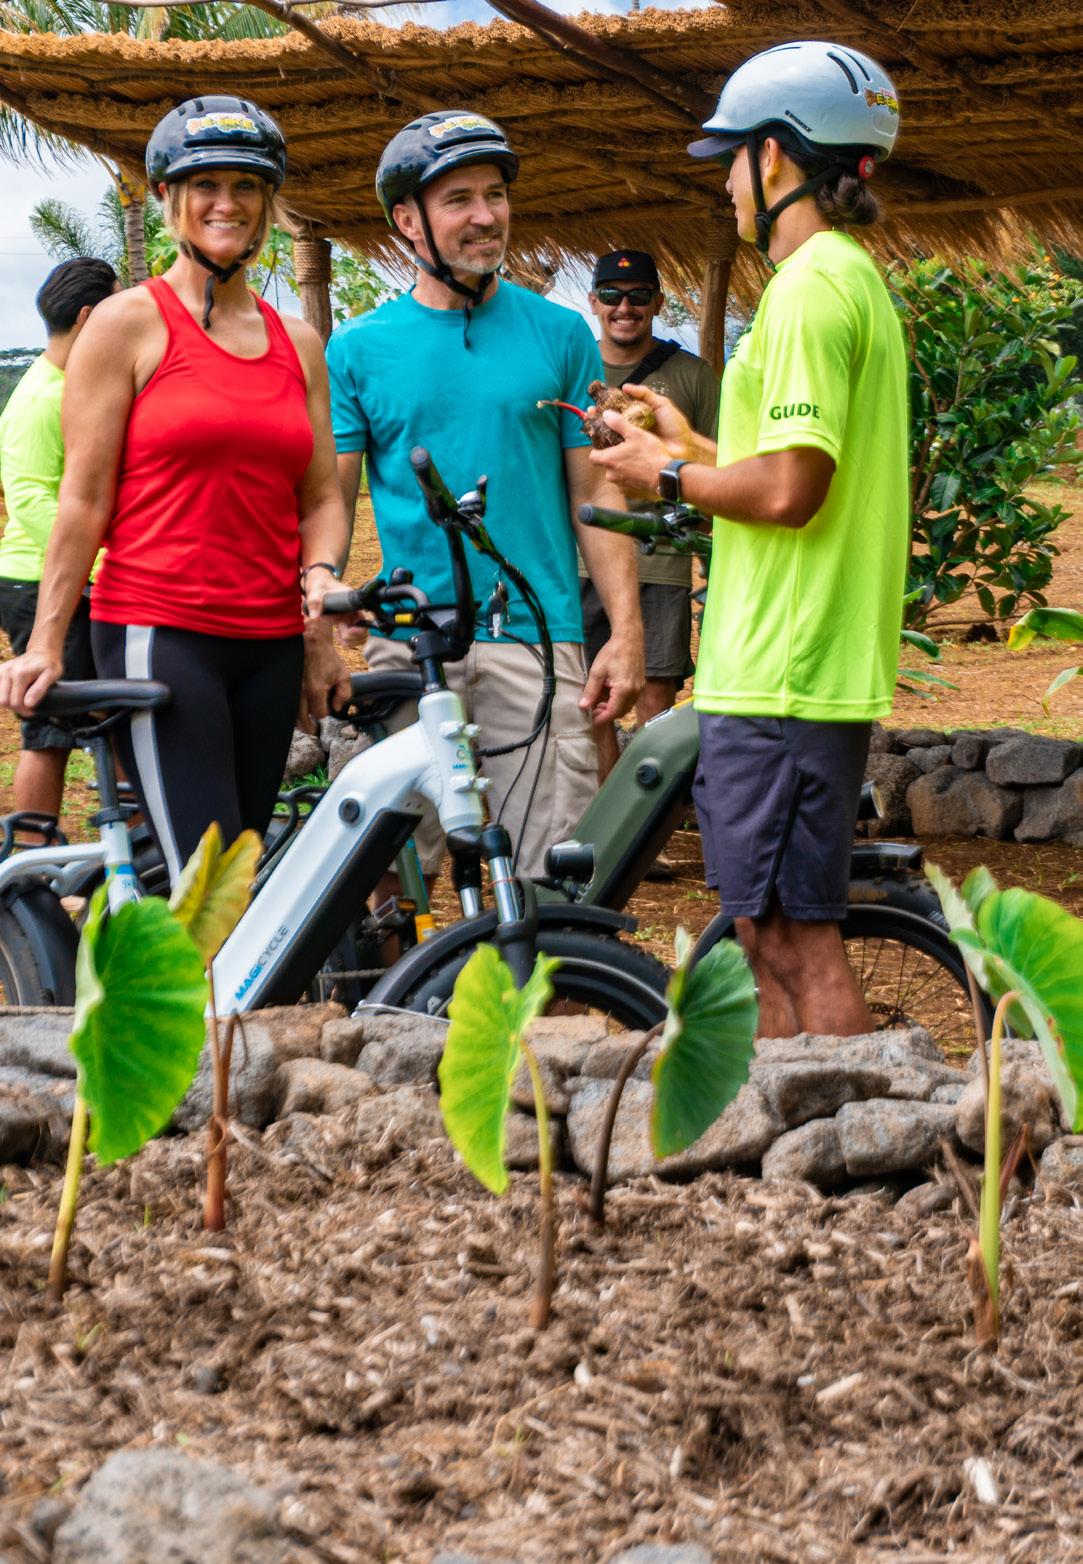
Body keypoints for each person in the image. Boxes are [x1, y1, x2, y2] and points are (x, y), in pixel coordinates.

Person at [591, 42, 908, 1038]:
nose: (726, 182)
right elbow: (785, 466)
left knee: (792, 938)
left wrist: (665, 474)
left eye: (730, 158)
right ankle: (794, 1126)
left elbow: (789, 492)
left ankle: (871, 1124)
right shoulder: (845, 280)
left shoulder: (808, 288)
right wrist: (690, 445)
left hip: (786, 669)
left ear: (773, 156)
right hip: (789, 664)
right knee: (763, 932)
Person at [0, 96, 350, 885]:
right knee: (211, 877)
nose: (227, 203)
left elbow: (321, 498)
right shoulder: (125, 324)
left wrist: (321, 599)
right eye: (205, 185)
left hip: (270, 642)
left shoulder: (298, 342)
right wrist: (47, 642)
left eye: (246, 185)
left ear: (268, 201)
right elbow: (83, 500)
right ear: (167, 196)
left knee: (243, 867)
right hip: (161, 630)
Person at [327, 110, 643, 879]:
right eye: (458, 199)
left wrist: (626, 631)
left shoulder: (560, 333)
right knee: (385, 875)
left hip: (535, 638)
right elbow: (329, 500)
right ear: (407, 221)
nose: (485, 216)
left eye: (495, 195)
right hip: (410, 640)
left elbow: (595, 492)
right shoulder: (358, 349)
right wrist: (321, 601)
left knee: (547, 869)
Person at [582, 249, 720, 783]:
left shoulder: (693, 375)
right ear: (594, 302)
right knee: (589, 697)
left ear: (658, 303)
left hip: (661, 557)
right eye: (612, 296)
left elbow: (717, 467)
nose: (625, 307)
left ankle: (647, 819)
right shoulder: (574, 367)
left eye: (639, 296)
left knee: (655, 698)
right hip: (584, 558)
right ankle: (604, 817)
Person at [0, 257, 118, 828]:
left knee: (115, 714)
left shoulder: (73, 386)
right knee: (48, 731)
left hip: (69, 577)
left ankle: (139, 852)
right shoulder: (43, 397)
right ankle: (34, 863)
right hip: (39, 581)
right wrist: (99, 560)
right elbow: (28, 499)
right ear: (90, 317)